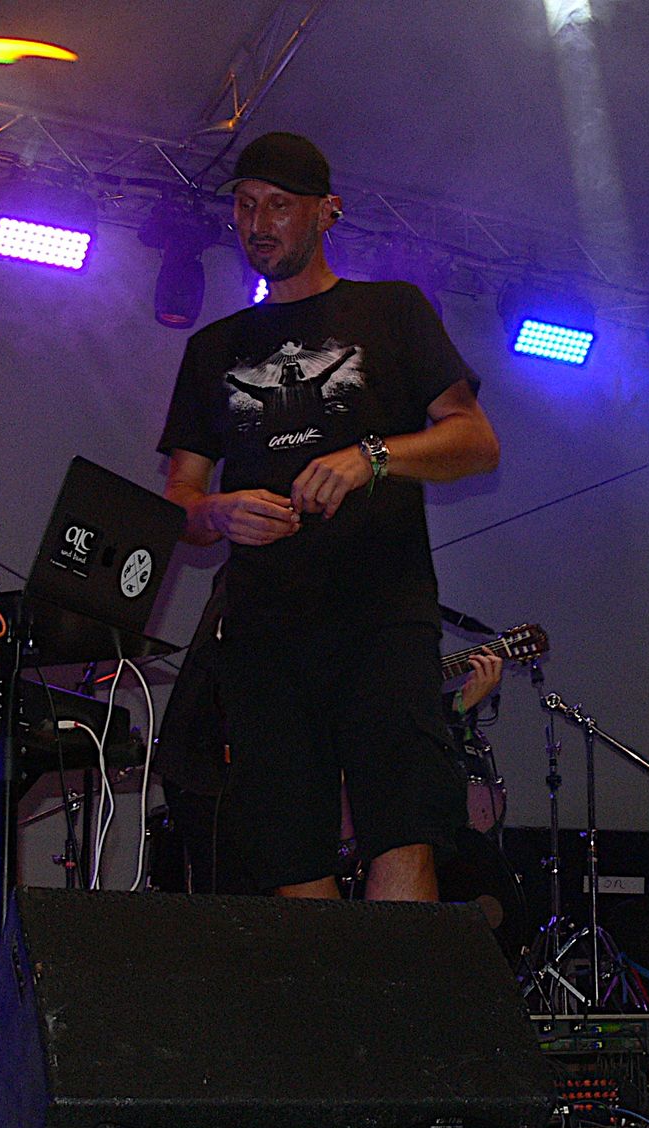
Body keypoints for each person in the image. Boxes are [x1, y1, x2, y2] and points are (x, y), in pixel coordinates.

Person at [156, 132, 499, 902]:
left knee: (401, 827)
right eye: (246, 206)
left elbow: (476, 441)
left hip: (381, 613)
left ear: (326, 211)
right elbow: (178, 503)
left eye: (279, 205)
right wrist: (218, 510)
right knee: (288, 850)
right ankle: (330, 987)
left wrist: (370, 457)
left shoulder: (391, 310)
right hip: (264, 628)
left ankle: (394, 987)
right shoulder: (213, 349)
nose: (258, 224)